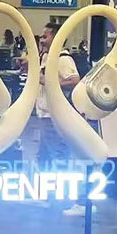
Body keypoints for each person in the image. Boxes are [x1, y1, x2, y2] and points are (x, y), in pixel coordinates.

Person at [25, 22, 83, 214]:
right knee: (44, 157)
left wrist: (48, 82)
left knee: (59, 156)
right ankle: (45, 195)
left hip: (54, 116)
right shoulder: (46, 57)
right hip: (44, 115)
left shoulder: (63, 59)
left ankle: (67, 199)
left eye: (46, 36)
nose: (42, 40)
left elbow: (74, 80)